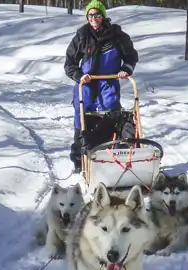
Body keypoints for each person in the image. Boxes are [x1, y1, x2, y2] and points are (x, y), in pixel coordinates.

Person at [64, 0, 139, 174]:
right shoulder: (82, 36)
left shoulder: (117, 35)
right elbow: (69, 63)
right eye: (90, 15)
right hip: (86, 86)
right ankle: (79, 158)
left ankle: (116, 155)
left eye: (97, 15)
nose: (94, 18)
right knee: (81, 118)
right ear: (87, 17)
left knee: (113, 116)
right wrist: (79, 76)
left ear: (103, 16)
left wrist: (125, 69)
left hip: (109, 83)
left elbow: (131, 56)